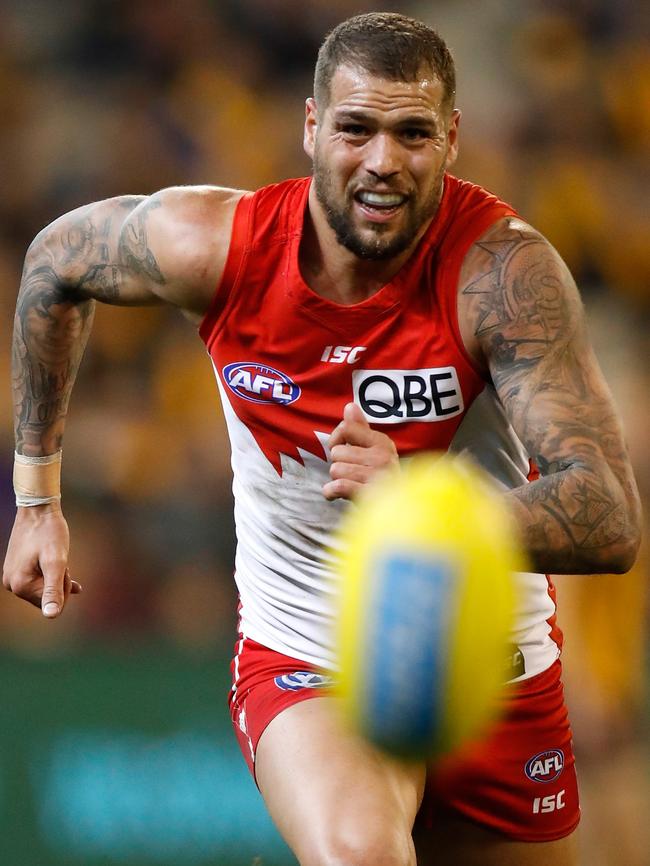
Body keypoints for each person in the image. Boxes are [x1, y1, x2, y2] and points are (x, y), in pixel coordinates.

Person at [3, 12, 641, 866]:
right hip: (310, 655)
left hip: (493, 673)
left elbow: (609, 516)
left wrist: (418, 510)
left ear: (451, 140)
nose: (383, 160)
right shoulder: (217, 247)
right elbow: (55, 263)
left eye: (412, 133)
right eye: (356, 128)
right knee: (361, 857)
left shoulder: (502, 275)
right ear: (311, 127)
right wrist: (36, 497)